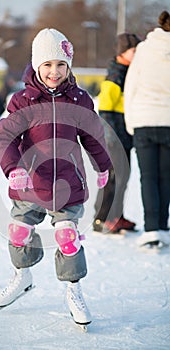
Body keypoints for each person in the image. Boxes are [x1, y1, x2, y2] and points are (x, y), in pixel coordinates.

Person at [0, 28, 111, 326]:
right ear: (36, 66)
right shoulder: (23, 101)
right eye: (47, 65)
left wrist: (103, 165)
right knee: (19, 233)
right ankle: (23, 275)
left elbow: (94, 137)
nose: (54, 72)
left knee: (67, 237)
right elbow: (3, 136)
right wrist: (13, 168)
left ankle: (74, 290)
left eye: (60, 64)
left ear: (69, 66)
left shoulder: (80, 100)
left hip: (67, 184)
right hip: (30, 183)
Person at [124, 11, 170, 247]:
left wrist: (131, 122)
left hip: (143, 119)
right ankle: (163, 226)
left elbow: (130, 86)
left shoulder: (144, 49)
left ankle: (151, 229)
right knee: (166, 178)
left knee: (148, 178)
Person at [92, 32, 141, 234]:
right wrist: (110, 137)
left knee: (124, 176)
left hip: (124, 135)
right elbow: (104, 109)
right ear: (123, 52)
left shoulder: (128, 72)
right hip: (114, 137)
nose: (137, 54)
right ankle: (102, 218)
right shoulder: (114, 75)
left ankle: (116, 215)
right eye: (133, 50)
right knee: (113, 178)